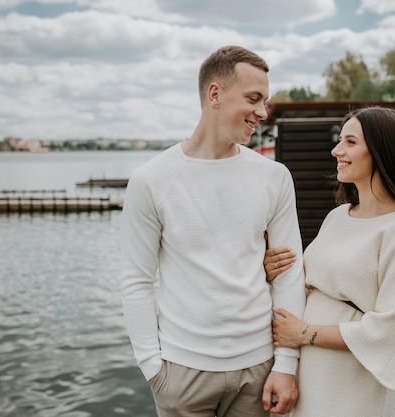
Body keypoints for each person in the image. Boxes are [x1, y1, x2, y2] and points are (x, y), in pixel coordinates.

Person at [119, 45, 305, 417]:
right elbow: (137, 281)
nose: (262, 113)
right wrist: (153, 369)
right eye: (254, 99)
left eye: (265, 101)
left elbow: (289, 271)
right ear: (215, 94)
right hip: (181, 373)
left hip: (259, 368)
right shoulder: (151, 180)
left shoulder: (274, 177)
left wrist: (286, 364)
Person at [264, 106, 395, 417]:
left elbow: (394, 329)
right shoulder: (337, 217)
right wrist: (269, 271)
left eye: (350, 142)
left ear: (382, 151)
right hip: (309, 369)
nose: (336, 150)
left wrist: (305, 333)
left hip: (353, 380)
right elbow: (304, 285)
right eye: (339, 141)